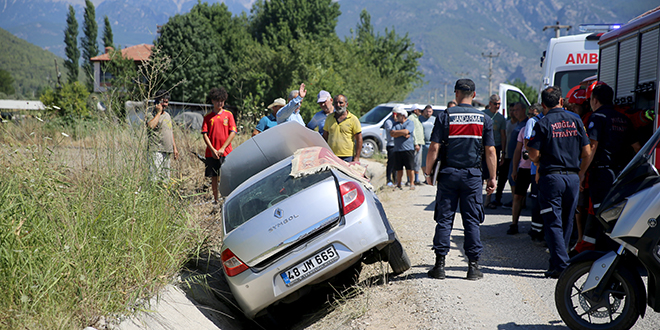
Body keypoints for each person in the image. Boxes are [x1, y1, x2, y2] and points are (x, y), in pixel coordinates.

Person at [425, 79, 496, 281]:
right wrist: (492, 177)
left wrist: (429, 173)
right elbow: (490, 151)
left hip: (448, 175)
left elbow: (434, 148)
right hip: (472, 176)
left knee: (445, 219)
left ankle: (439, 266)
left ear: (456, 94)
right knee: (472, 221)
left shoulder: (445, 116)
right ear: (474, 95)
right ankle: (473, 268)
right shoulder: (484, 119)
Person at [527, 86, 591, 278]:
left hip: (551, 178)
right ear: (561, 101)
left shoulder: (543, 123)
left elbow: (533, 154)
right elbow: (587, 153)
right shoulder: (576, 119)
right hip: (572, 177)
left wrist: (537, 161)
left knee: (553, 222)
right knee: (566, 221)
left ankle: (563, 267)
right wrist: (580, 173)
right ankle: (556, 264)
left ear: (544, 104)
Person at [575, 83, 640, 253]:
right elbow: (637, 148)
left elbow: (593, 147)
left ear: (595, 100)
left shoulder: (597, 117)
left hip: (602, 174)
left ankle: (605, 255)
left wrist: (581, 173)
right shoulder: (623, 119)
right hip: (620, 175)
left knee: (602, 215)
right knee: (616, 216)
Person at [202, 87, 237, 204]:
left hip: (226, 152)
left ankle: (228, 198)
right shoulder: (207, 117)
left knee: (227, 176)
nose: (220, 103)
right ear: (212, 101)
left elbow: (233, 132)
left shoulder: (229, 115)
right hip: (211, 153)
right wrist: (213, 150)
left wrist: (223, 148)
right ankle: (216, 199)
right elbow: (205, 134)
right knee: (214, 177)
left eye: (222, 101)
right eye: (217, 100)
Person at [508, 107, 537, 234]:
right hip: (524, 168)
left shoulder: (542, 129)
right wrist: (515, 169)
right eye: (529, 114)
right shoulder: (524, 130)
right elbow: (517, 150)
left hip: (536, 168)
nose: (530, 117)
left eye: (533, 114)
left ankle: (536, 226)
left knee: (536, 199)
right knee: (518, 196)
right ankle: (514, 224)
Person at [146, 90, 179, 181]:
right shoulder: (151, 114)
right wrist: (158, 112)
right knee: (155, 178)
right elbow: (151, 126)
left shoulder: (167, 115)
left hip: (167, 150)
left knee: (165, 179)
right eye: (162, 101)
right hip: (156, 150)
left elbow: (170, 131)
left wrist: (174, 148)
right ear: (157, 102)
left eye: (166, 102)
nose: (164, 104)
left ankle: (163, 195)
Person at [524, 104, 545, 242]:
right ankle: (536, 230)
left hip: (544, 168)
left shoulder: (546, 120)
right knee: (536, 199)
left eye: (532, 113)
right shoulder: (533, 121)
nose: (530, 117)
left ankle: (540, 229)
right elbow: (527, 143)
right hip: (536, 168)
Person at [483, 95, 506, 208]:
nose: (497, 106)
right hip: (482, 147)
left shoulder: (501, 118)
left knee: (492, 174)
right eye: (495, 104)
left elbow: (503, 135)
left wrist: (503, 152)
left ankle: (488, 199)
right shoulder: (483, 114)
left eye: (499, 104)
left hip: (495, 147)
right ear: (490, 103)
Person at [323, 94, 362, 162]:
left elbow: (359, 139)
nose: (338, 105)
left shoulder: (353, 119)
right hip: (332, 156)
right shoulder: (329, 118)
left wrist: (357, 157)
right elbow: (325, 137)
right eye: (336, 103)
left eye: (341, 103)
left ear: (346, 104)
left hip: (347, 157)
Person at [390, 105, 416, 190]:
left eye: (398, 115)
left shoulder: (410, 123)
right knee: (399, 169)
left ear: (403, 115)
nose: (396, 117)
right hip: (398, 149)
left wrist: (398, 133)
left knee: (410, 167)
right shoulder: (395, 124)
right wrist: (403, 134)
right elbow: (392, 133)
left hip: (408, 149)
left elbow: (406, 131)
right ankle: (398, 184)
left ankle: (412, 183)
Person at [408, 104, 425, 185]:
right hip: (416, 143)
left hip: (419, 142)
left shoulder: (416, 118)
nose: (421, 112)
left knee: (417, 161)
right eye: (419, 110)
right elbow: (413, 132)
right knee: (414, 161)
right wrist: (416, 143)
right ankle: (412, 179)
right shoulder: (411, 118)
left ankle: (416, 179)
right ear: (415, 110)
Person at [419, 104, 436, 176]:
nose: (428, 113)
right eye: (427, 111)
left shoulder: (434, 119)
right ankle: (425, 176)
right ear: (424, 111)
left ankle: (432, 176)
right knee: (423, 161)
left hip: (432, 143)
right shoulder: (420, 119)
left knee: (433, 160)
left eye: (430, 111)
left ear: (432, 112)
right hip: (423, 143)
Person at [383, 109, 397, 186]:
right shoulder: (389, 122)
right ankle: (388, 179)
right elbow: (392, 132)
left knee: (397, 164)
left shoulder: (399, 121)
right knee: (391, 163)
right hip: (391, 144)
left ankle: (396, 180)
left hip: (398, 145)